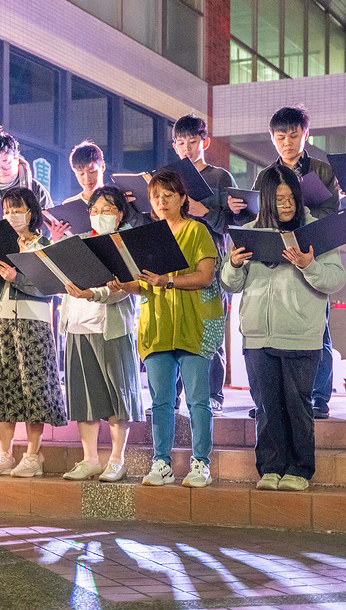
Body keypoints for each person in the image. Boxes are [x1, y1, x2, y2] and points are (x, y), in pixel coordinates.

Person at [221, 165, 345, 491]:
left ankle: (300, 470)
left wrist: (309, 266)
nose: (286, 204)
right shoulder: (248, 231)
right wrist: (234, 265)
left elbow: (336, 279)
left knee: (297, 405)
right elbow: (230, 284)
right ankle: (271, 469)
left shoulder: (316, 231)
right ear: (266, 200)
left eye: (291, 197)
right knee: (266, 407)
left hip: (301, 333)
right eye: (279, 199)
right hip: (257, 334)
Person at [110, 170, 223, 488]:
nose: (160, 201)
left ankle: (201, 463)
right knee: (161, 400)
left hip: (194, 323)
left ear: (183, 198)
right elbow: (141, 284)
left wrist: (168, 280)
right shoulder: (147, 235)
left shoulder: (197, 230)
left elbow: (204, 277)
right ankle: (162, 463)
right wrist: (124, 283)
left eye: (168, 195)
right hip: (157, 324)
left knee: (197, 400)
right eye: (156, 196)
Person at [232, 106, 340, 419]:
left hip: (310, 250)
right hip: (272, 258)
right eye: (281, 137)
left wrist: (300, 209)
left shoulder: (320, 170)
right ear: (272, 138)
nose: (287, 142)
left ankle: (318, 398)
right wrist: (241, 210)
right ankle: (265, 401)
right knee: (269, 336)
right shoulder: (265, 176)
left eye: (294, 135)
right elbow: (259, 217)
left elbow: (332, 213)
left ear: (306, 134)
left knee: (319, 329)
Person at [0, 187, 67, 478]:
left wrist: (17, 278)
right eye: (7, 210)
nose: (11, 215)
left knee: (33, 390)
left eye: (17, 209)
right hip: (2, 322)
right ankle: (4, 454)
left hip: (33, 324)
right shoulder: (2, 246)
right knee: (1, 388)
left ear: (31, 212)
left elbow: (49, 288)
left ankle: (33, 455)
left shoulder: (45, 244)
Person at [59, 185, 144, 482]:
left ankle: (117, 459)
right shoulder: (79, 242)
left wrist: (92, 294)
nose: (100, 215)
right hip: (78, 327)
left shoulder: (126, 244)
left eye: (107, 210)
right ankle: (91, 459)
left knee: (117, 395)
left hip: (111, 329)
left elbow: (124, 289)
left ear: (120, 214)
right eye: (94, 211)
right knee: (85, 398)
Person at [0, 127, 52, 393]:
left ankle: (28, 387)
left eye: (6, 162)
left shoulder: (35, 189)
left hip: (26, 265)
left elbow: (48, 229)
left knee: (26, 332)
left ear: (17, 157)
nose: (1, 170)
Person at [170, 115, 237, 416]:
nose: (186, 149)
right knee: (174, 330)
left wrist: (204, 211)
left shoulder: (220, 178)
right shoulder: (169, 179)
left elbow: (233, 225)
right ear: (174, 146)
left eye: (193, 142)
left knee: (209, 331)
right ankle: (171, 398)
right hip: (175, 262)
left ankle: (213, 395)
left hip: (212, 262)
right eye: (181, 143)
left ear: (205, 143)